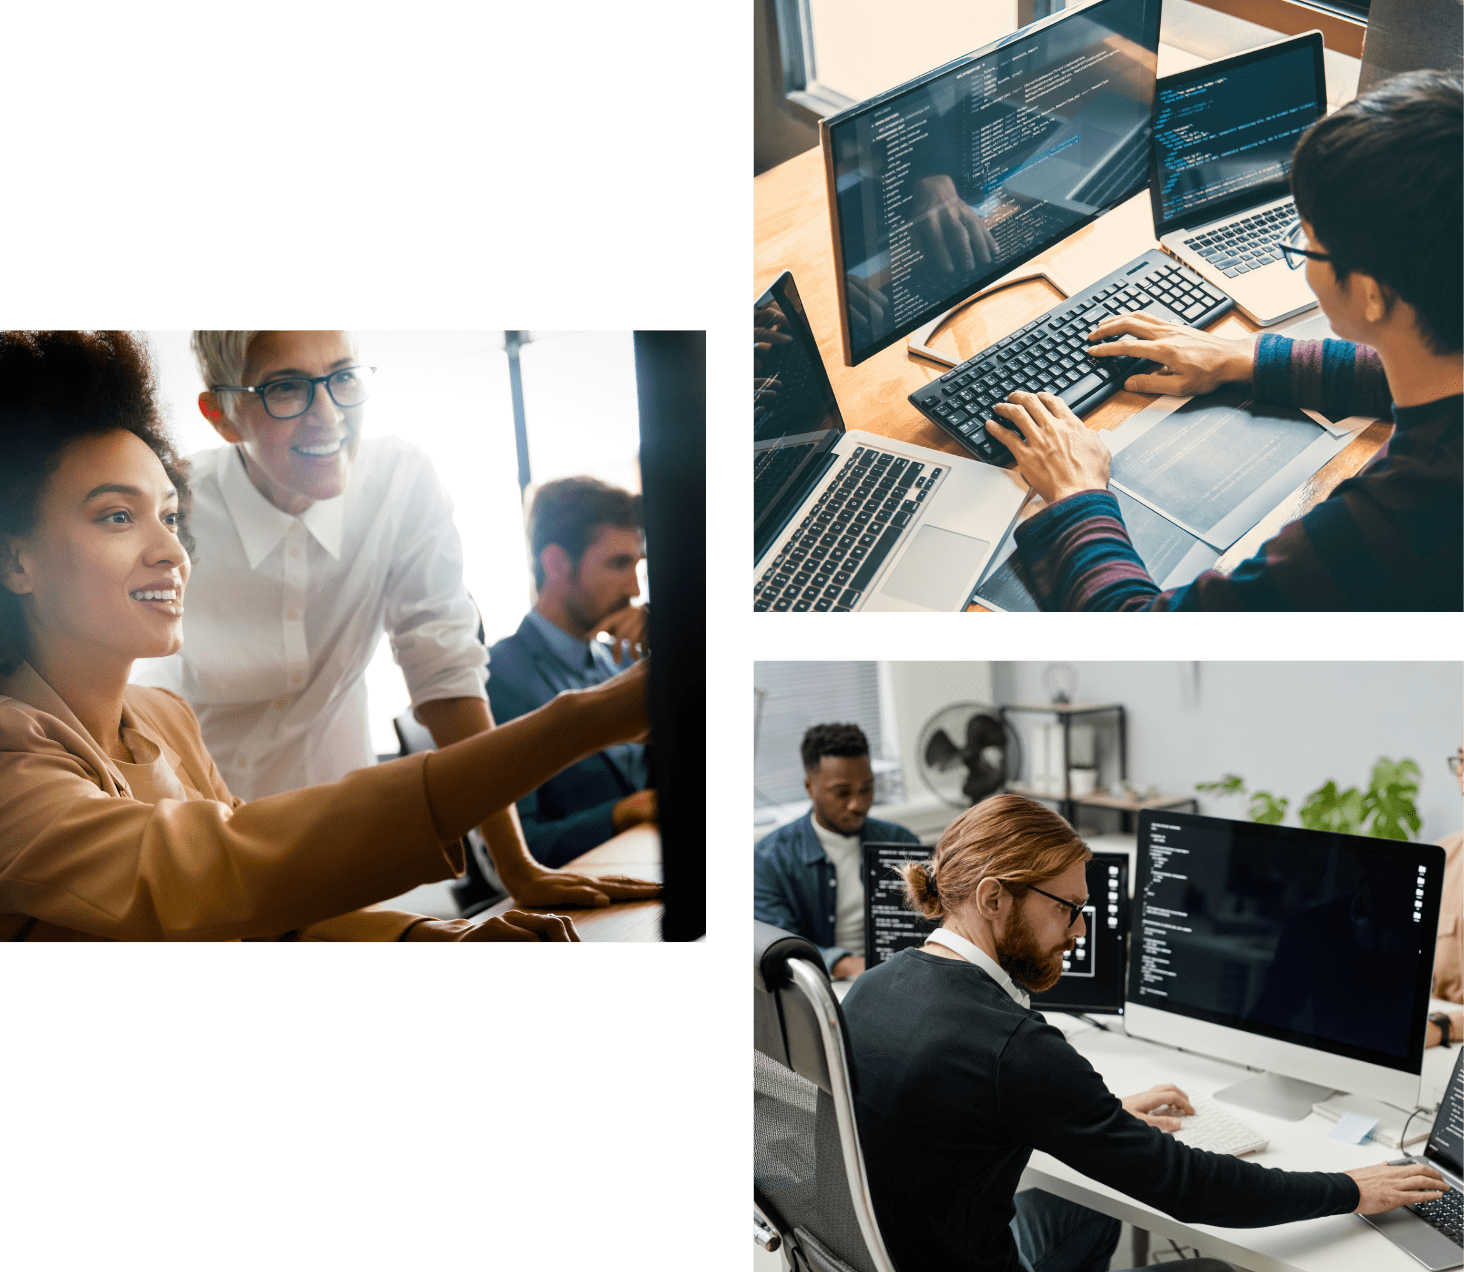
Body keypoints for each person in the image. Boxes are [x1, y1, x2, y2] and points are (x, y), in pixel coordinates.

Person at [0, 330, 647, 941]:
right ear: (14, 560)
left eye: (170, 515)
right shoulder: (13, 758)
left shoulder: (162, 719)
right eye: (117, 516)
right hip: (284, 853)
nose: (172, 548)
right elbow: (218, 869)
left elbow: (269, 914)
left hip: (316, 868)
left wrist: (433, 934)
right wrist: (586, 718)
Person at [841, 793, 1451, 1272]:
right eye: (1068, 909)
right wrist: (1350, 1188)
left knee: (1078, 1212)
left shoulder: (873, 987)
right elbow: (1192, 1190)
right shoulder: (1014, 1048)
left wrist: (1089, 1115)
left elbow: (950, 1119)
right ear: (994, 897)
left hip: (905, 1252)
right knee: (1213, 1270)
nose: (1079, 932)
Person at [978, 70, 1461, 611]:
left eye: (1310, 242)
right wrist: (1246, 356)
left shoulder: (1400, 519)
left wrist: (1076, 494)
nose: (1302, 251)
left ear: (1373, 294)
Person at [486, 477, 654, 868]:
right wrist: (624, 811)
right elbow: (519, 848)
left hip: (647, 864)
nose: (633, 588)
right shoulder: (499, 678)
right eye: (618, 564)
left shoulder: (622, 661)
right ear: (557, 563)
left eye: (637, 565)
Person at [753, 723, 919, 980]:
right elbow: (778, 944)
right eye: (842, 793)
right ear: (809, 787)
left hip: (899, 975)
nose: (858, 804)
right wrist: (846, 965)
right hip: (819, 984)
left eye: (867, 789)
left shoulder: (901, 841)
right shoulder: (769, 859)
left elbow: (926, 924)